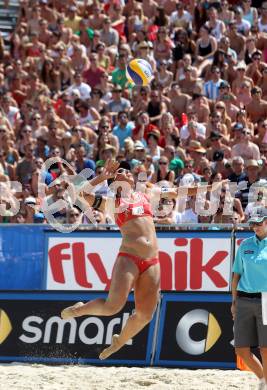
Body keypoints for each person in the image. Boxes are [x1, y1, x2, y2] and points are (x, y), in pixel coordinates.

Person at [61, 160, 223, 359]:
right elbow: (77, 194)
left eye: (128, 171)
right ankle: (79, 310)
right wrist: (102, 177)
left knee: (145, 315)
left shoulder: (147, 195)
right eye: (121, 172)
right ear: (114, 182)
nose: (127, 173)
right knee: (113, 306)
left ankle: (118, 342)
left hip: (152, 260)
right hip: (129, 257)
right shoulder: (112, 204)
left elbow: (179, 191)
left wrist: (208, 187)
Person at [231, 206, 267, 390]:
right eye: (253, 223)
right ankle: (263, 379)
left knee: (265, 348)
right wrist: (233, 302)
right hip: (244, 299)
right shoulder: (245, 244)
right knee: (241, 350)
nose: (255, 227)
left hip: (266, 300)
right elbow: (236, 275)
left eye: (259, 223)